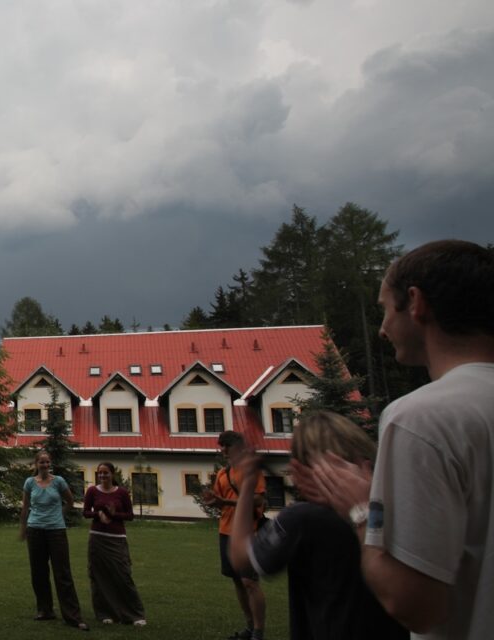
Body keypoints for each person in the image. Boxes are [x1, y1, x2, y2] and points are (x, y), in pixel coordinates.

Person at [301, 240, 494, 639]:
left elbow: (415, 605)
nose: (383, 328)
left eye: (385, 309)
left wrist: (360, 511)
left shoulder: (421, 418)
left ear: (415, 303)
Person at [227, 411, 406, 640]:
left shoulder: (303, 520)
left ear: (303, 467)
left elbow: (240, 557)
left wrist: (248, 484)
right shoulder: (393, 508)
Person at [202, 431, 267, 640]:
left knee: (250, 582)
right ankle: (249, 627)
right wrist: (212, 501)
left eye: (227, 445)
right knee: (237, 581)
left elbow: (258, 500)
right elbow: (220, 500)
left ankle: (258, 631)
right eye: (221, 445)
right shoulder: (223, 474)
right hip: (226, 531)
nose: (223, 449)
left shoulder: (251, 472)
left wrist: (226, 502)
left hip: (249, 531)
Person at [18, 450, 88, 630]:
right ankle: (45, 610)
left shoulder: (59, 482)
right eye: (42, 462)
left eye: (48, 462)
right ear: (36, 464)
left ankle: (72, 616)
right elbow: (25, 508)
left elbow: (70, 502)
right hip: (35, 531)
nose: (45, 465)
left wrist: (60, 515)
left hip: (56, 531)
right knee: (38, 573)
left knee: (62, 573)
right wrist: (23, 529)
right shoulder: (29, 483)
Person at [82, 462, 146, 626]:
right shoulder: (92, 491)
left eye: (106, 473)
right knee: (99, 576)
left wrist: (113, 515)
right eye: (100, 473)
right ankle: (105, 614)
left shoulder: (122, 493)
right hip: (97, 538)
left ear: (113, 474)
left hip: (116, 538)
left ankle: (134, 614)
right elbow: (86, 512)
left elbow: (130, 515)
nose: (103, 476)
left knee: (123, 575)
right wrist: (99, 514)